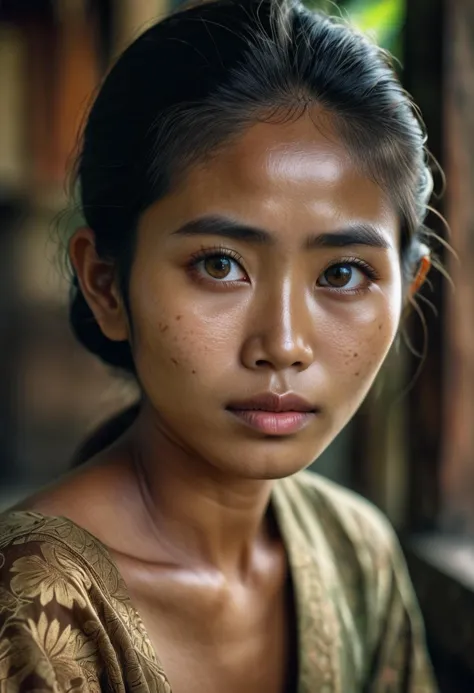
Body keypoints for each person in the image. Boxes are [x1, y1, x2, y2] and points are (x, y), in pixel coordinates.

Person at [0, 0, 438, 690]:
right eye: (219, 265)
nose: (284, 345)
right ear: (107, 284)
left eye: (343, 273)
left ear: (406, 291)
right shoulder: (29, 606)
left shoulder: (359, 554)